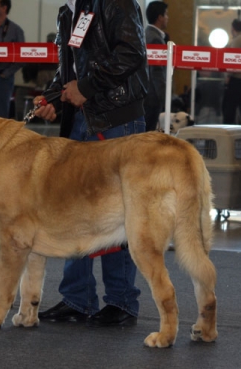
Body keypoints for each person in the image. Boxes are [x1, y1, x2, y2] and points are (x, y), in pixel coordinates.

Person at [34, 0, 149, 327]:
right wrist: (53, 99)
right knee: (73, 211)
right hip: (82, 119)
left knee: (118, 214)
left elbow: (132, 53)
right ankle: (77, 299)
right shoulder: (67, 10)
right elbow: (70, 70)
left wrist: (86, 88)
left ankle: (122, 301)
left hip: (116, 119)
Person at [144, 1, 169, 131]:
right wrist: (164, 97)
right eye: (166, 14)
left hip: (146, 93)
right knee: (148, 133)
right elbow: (157, 71)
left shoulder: (147, 34)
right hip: (153, 96)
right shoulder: (155, 38)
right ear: (160, 17)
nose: (167, 18)